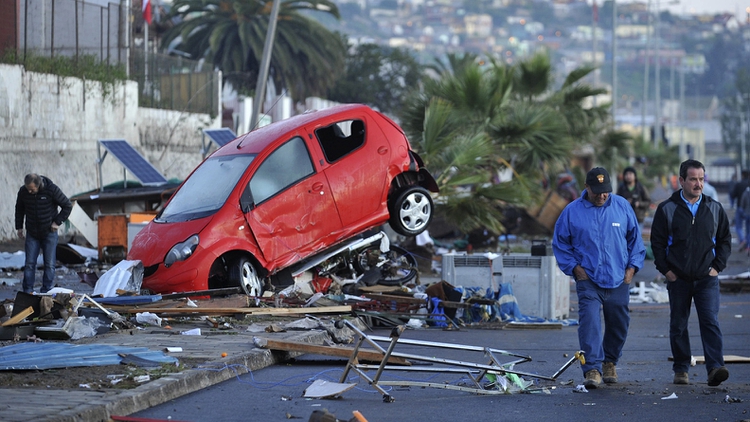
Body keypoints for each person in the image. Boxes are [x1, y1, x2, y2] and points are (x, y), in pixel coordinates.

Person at [553, 167, 646, 389]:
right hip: (589, 281)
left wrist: (631, 269)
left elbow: (636, 241)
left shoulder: (622, 206)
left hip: (618, 278)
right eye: (597, 192)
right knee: (590, 324)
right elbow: (560, 243)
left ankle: (610, 362)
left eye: (605, 191)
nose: (602, 196)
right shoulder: (571, 212)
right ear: (586, 188)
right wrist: (575, 269)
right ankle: (592, 369)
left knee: (619, 324)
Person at [650, 159, 731, 387]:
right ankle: (681, 369)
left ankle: (715, 367)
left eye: (701, 179)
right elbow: (656, 243)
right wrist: (666, 270)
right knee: (678, 324)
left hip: (706, 278)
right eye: (693, 179)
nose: (698, 184)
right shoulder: (667, 209)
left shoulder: (714, 208)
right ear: (681, 181)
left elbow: (725, 239)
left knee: (710, 322)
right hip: (679, 279)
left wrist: (717, 268)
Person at [14, 173, 72, 294]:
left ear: (38, 185)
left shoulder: (52, 189)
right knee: (30, 264)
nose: (29, 191)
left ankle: (46, 291)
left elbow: (67, 205)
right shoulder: (23, 192)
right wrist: (19, 227)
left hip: (49, 232)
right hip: (32, 233)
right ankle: (28, 291)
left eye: (32, 189)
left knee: (49, 264)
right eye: (28, 189)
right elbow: (19, 209)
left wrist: (57, 222)